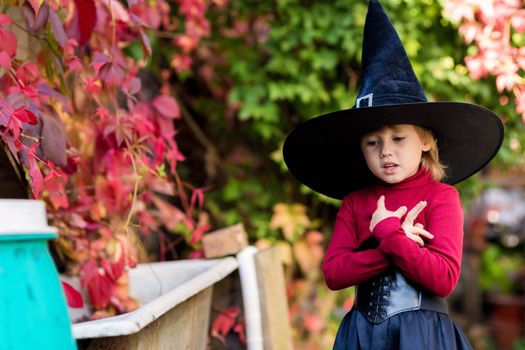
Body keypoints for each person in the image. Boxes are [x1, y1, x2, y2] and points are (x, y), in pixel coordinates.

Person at [282, 0, 504, 349]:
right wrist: (393, 243)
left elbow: (443, 279)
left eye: (399, 138)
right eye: (373, 142)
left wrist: (386, 231)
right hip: (361, 336)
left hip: (421, 336)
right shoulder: (357, 202)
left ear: (427, 141)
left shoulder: (441, 198)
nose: (386, 150)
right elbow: (334, 273)